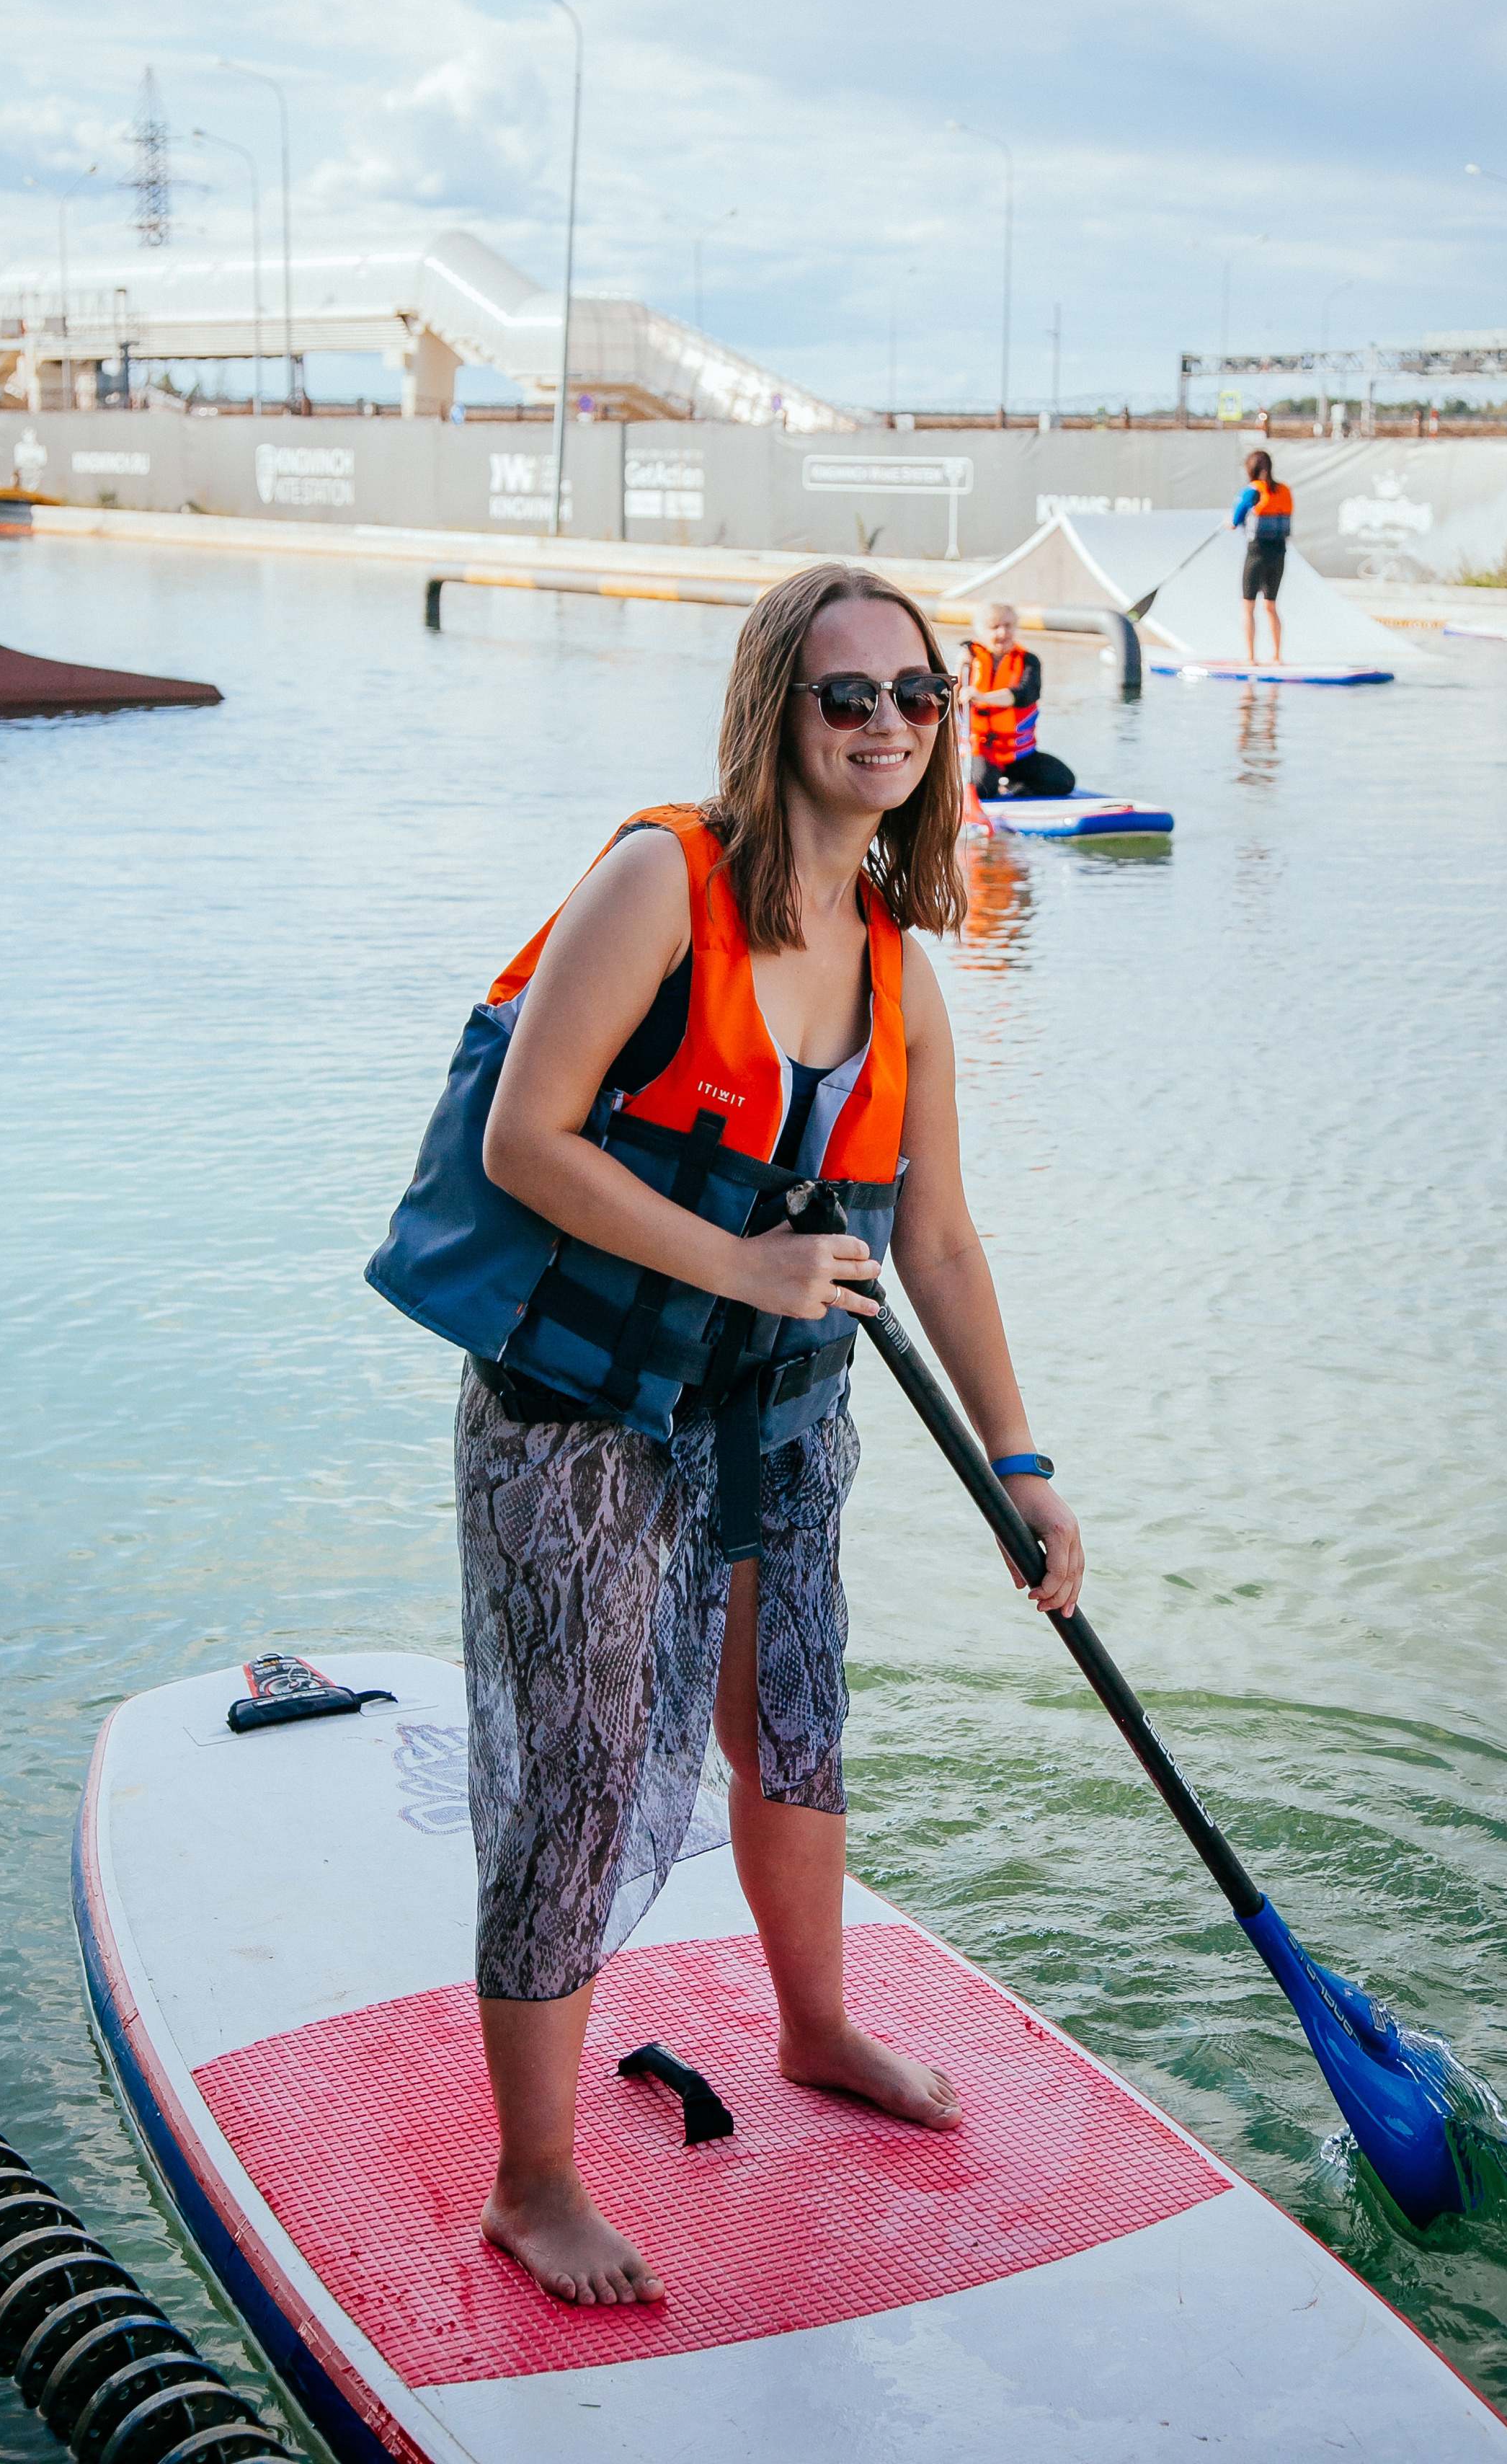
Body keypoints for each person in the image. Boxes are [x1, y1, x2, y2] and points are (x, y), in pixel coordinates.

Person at [375, 561, 1084, 2310]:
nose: (887, 723)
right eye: (848, 694)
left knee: (792, 1720)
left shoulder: (901, 962)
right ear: (777, 709)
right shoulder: (659, 882)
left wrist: (1018, 1462)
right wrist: (744, 1266)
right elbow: (528, 1138)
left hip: (772, 1418)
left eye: (915, 694)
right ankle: (533, 2180)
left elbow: (936, 1240)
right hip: (581, 1413)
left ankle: (815, 2025)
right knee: (577, 1767)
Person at [963, 601, 1075, 799]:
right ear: (982, 631)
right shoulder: (968, 663)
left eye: (1008, 626)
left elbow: (1024, 694)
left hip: (1019, 754)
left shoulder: (1030, 661)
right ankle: (989, 781)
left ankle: (1015, 784)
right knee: (982, 789)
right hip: (983, 751)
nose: (1002, 633)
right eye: (995, 627)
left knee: (1064, 781)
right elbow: (949, 698)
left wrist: (982, 698)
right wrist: (960, 673)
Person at [1232, 448, 1294, 668]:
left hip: (1257, 553)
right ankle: (1277, 657)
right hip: (1279, 553)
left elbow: (1235, 521)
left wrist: (1231, 522)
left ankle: (1250, 657)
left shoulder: (1251, 492)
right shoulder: (1284, 490)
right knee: (1271, 606)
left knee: (1248, 605)